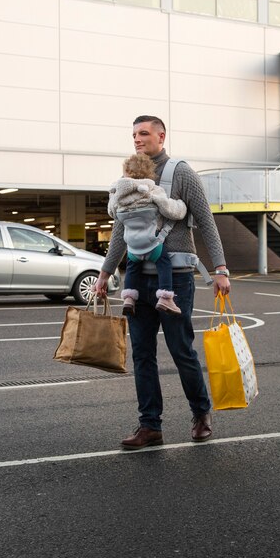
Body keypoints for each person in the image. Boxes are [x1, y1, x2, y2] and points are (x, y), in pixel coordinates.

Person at [94, 115, 230, 449]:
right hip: (137, 281)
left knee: (181, 350)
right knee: (142, 354)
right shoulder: (129, 176)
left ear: (161, 136)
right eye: (134, 135)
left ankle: (201, 413)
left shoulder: (181, 172)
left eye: (143, 134)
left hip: (176, 279)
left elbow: (206, 221)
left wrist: (221, 268)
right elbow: (121, 230)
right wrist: (106, 271)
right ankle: (149, 425)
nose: (137, 139)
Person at [108, 153, 187, 316]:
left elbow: (112, 212)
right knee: (164, 264)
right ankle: (165, 297)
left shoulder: (117, 195)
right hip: (152, 243)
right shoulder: (152, 191)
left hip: (132, 246)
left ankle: (129, 298)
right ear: (149, 173)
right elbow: (171, 210)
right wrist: (181, 205)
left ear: (126, 173)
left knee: (132, 269)